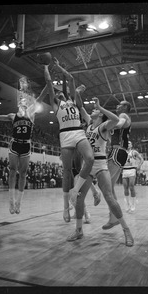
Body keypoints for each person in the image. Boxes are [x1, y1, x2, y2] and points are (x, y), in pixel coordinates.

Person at [66, 97, 134, 246]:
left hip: (101, 164)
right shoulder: (89, 124)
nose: (93, 110)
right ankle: (79, 230)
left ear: (101, 115)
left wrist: (100, 106)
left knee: (109, 196)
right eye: (93, 109)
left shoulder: (103, 126)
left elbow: (116, 120)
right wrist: (77, 94)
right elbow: (80, 106)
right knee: (79, 197)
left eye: (95, 110)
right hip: (88, 165)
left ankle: (126, 230)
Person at [0, 74, 49, 214]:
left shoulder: (31, 114)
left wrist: (48, 84)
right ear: (18, 104)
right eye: (21, 101)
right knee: (11, 171)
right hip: (14, 144)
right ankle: (11, 201)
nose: (23, 102)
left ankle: (19, 203)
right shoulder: (12, 116)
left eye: (25, 101)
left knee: (23, 173)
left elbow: (40, 97)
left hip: (26, 145)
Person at [44, 59, 94, 223]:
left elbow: (71, 80)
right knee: (66, 173)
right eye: (57, 94)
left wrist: (58, 66)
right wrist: (46, 68)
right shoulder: (56, 106)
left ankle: (79, 195)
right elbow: (49, 85)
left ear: (65, 95)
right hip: (65, 135)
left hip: (78, 132)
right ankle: (66, 207)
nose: (59, 94)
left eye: (61, 93)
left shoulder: (75, 102)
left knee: (89, 160)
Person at [102, 100, 132, 230]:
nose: (117, 105)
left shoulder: (123, 116)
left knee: (106, 185)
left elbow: (119, 125)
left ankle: (115, 218)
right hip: (117, 151)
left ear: (125, 107)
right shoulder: (121, 116)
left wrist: (106, 124)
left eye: (120, 104)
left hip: (118, 151)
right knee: (109, 187)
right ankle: (113, 218)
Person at [122, 140, 144, 213]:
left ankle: (133, 204)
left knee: (131, 186)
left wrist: (139, 166)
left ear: (131, 145)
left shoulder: (134, 152)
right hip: (124, 170)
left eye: (129, 143)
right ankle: (127, 205)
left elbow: (141, 159)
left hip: (132, 170)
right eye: (127, 143)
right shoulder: (122, 152)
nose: (128, 144)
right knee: (125, 187)